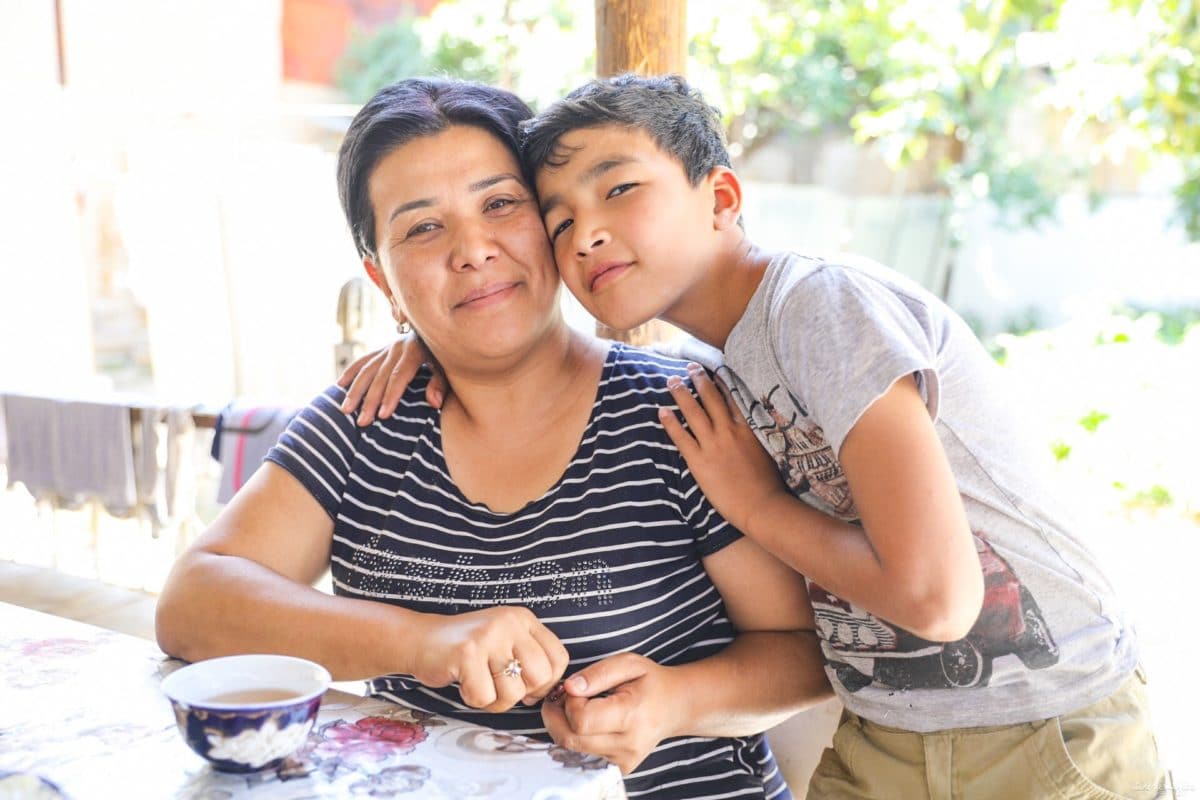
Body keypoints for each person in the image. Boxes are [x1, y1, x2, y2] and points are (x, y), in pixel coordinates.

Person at [343, 74, 1172, 798]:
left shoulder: (820, 308)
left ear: (723, 198)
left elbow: (938, 600)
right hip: (889, 730)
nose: (585, 233)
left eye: (620, 189)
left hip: (1050, 728)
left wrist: (754, 504)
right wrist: (434, 335)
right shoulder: (722, 361)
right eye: (557, 220)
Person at [154, 77, 833, 799]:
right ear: (382, 278)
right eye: (422, 226)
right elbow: (192, 606)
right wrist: (420, 642)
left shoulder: (682, 411)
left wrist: (676, 701)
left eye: (500, 204)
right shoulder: (365, 421)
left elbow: (808, 648)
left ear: (550, 222)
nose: (472, 249)